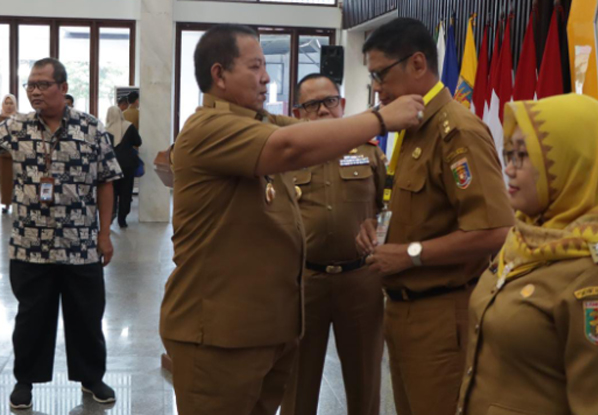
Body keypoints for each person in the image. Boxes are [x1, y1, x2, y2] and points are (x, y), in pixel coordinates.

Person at [159, 24, 423, 415]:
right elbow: (290, 146)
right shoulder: (207, 128)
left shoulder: (256, 121)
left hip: (264, 331)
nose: (267, 77)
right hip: (218, 336)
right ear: (219, 74)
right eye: (255, 66)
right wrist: (381, 119)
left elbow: (306, 131)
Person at [457, 94, 598, 415]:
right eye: (508, 154)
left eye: (524, 156)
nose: (509, 169)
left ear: (574, 164)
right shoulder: (524, 239)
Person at [355, 18, 515, 415]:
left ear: (418, 64)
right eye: (371, 76)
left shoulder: (456, 131)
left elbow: (496, 231)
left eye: (380, 73)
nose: (376, 86)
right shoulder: (412, 127)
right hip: (404, 310)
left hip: (442, 316)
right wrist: (378, 232)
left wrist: (409, 253)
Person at [0, 58, 123, 409]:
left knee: (86, 316)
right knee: (31, 319)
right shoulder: (14, 127)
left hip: (80, 245)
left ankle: (91, 378)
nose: (34, 91)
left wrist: (104, 234)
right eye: (30, 85)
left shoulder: (91, 128)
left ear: (63, 88)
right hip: (29, 246)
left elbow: (106, 183)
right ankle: (25, 381)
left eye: (42, 84)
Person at [280, 74, 386, 415]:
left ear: (341, 105)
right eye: (312, 105)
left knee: (365, 379)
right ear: (298, 113)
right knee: (297, 382)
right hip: (304, 283)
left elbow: (387, 208)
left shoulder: (369, 153)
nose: (323, 110)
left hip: (360, 281)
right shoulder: (285, 158)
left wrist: (378, 228)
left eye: (330, 101)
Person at [106, 105, 142, 228]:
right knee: (126, 191)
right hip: (127, 165)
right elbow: (138, 142)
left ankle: (111, 215)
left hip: (111, 165)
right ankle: (122, 219)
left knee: (112, 192)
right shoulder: (129, 126)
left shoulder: (105, 129)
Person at [0, 94, 18, 213]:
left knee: (16, 179)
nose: (9, 106)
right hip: (1, 154)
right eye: (6, 103)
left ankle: (16, 203)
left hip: (15, 154)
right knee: (4, 180)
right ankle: (6, 203)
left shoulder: (18, 119)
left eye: (11, 103)